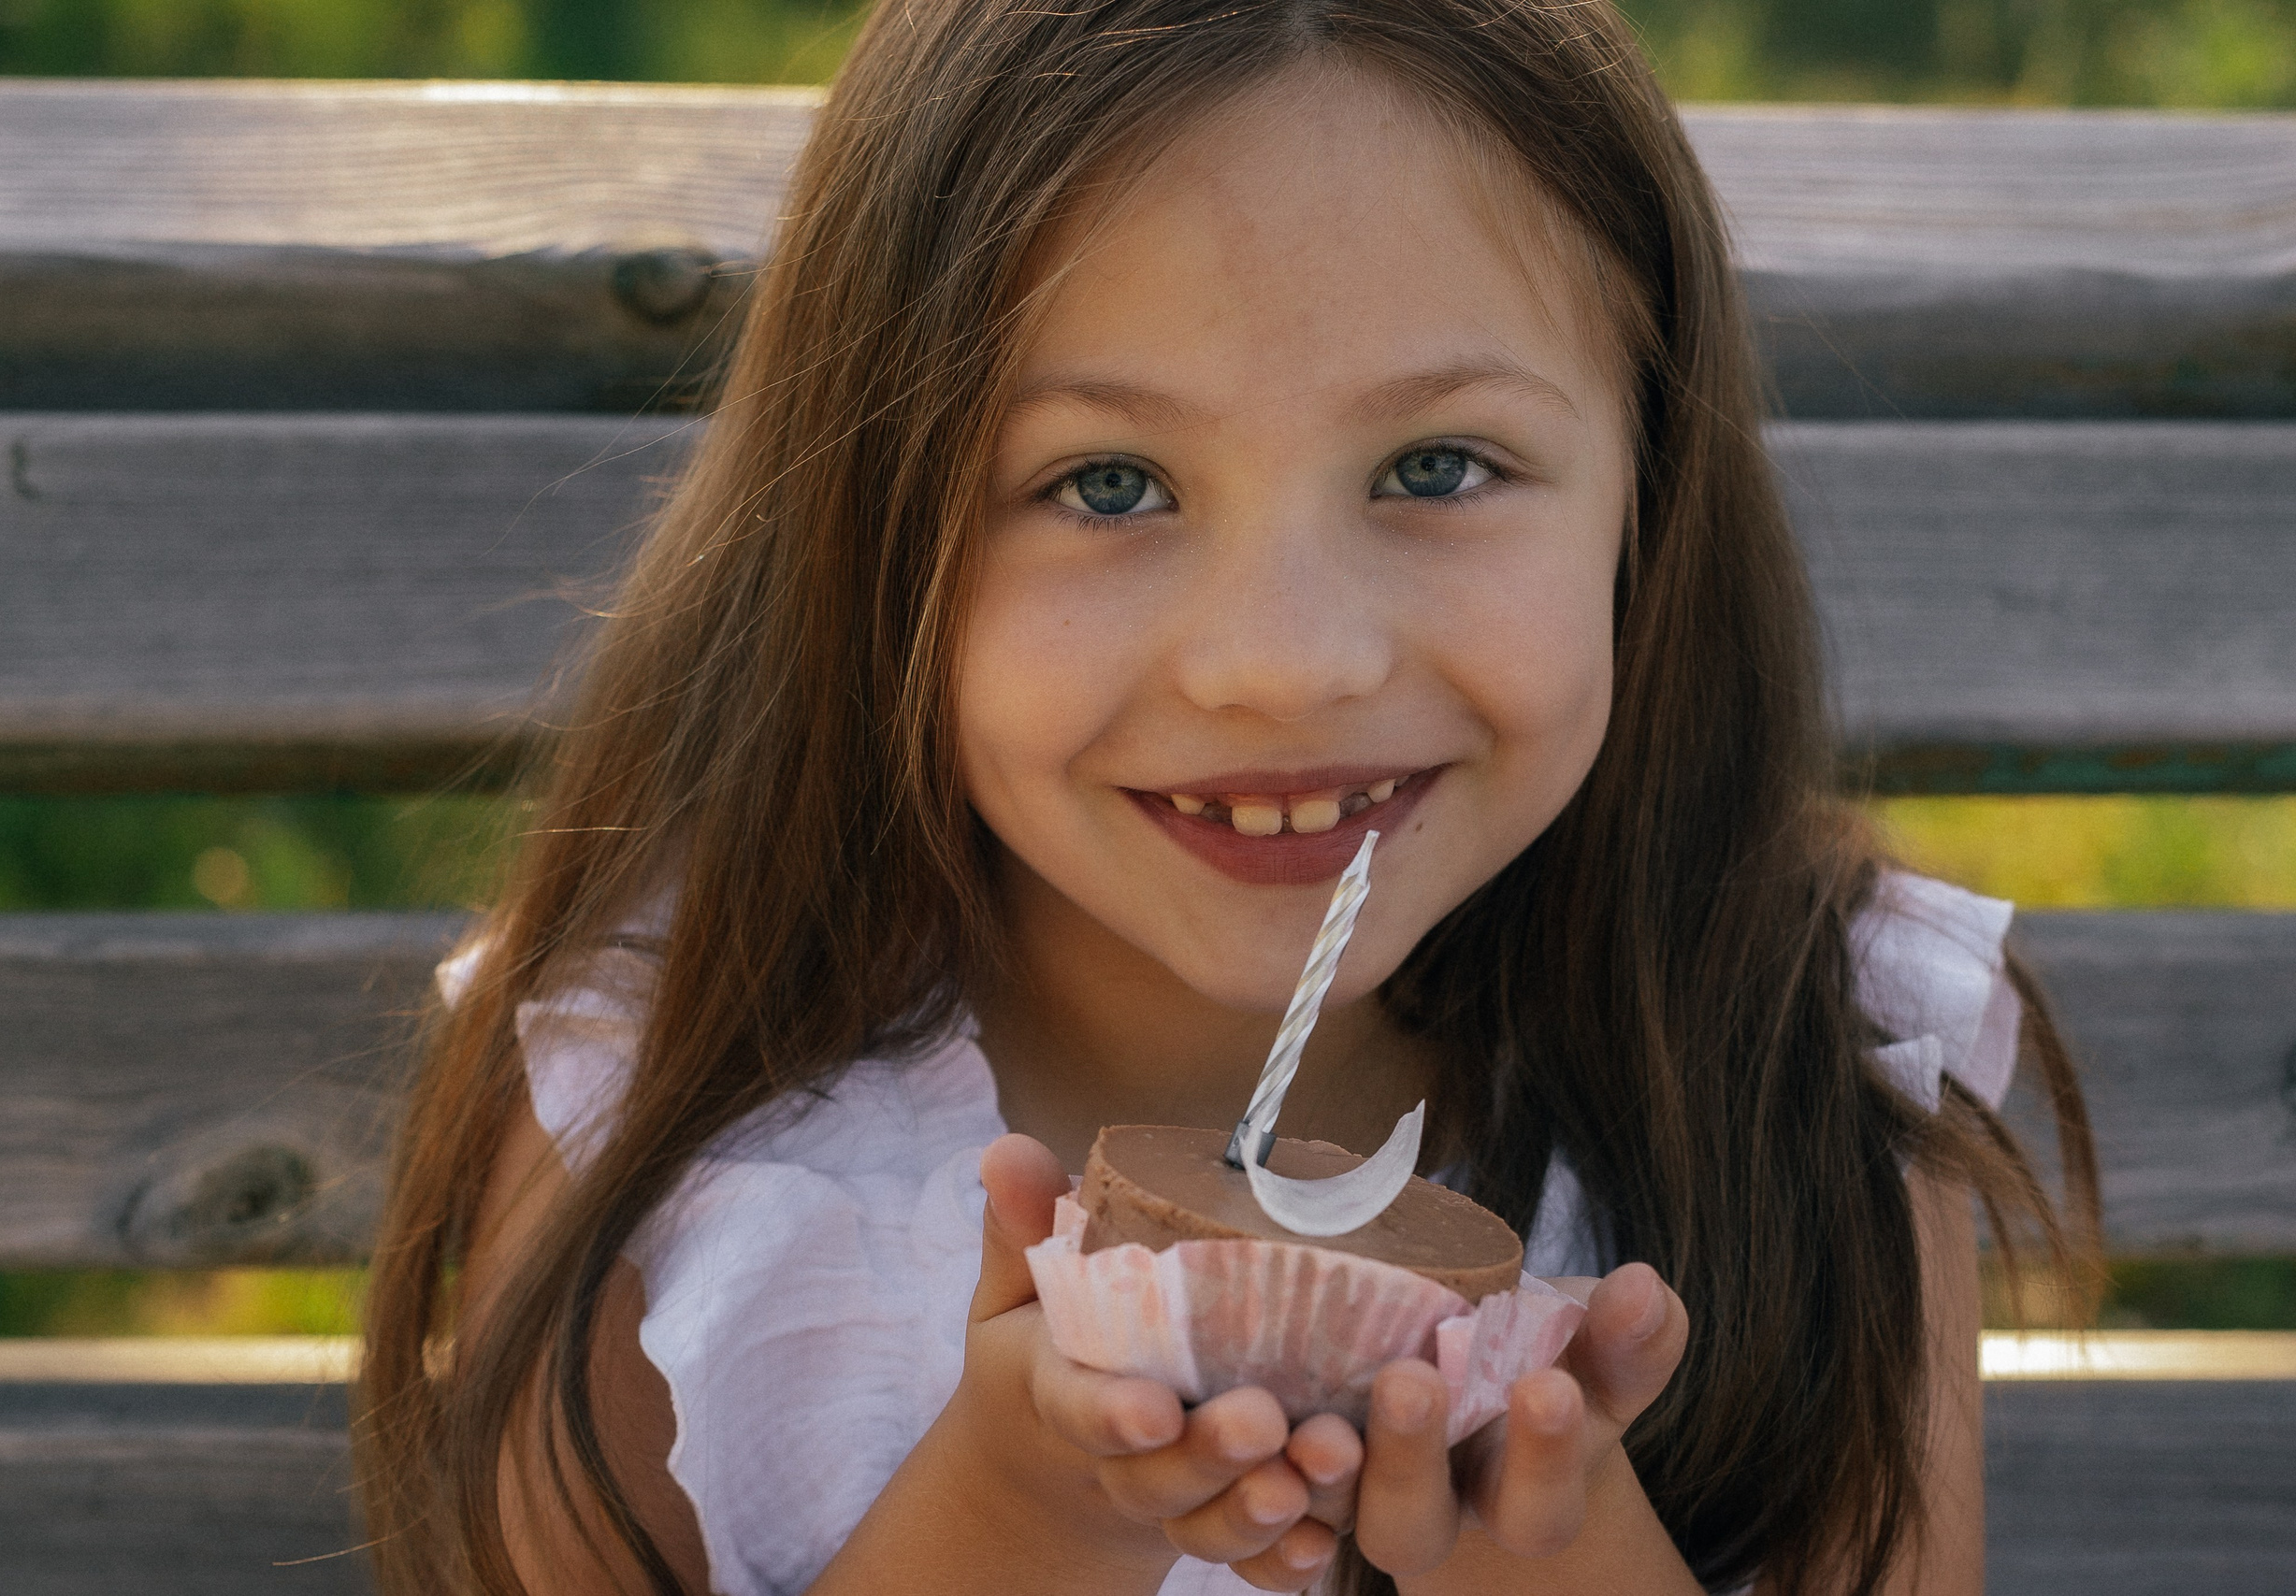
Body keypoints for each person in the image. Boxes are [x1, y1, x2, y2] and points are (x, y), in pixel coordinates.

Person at [356, 2, 2101, 1592]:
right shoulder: (673, 1112)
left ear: (1648, 498)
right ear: (868, 538)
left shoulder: (1800, 1072)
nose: (1282, 663)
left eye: (1438, 467)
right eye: (1106, 482)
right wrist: (1027, 1512)